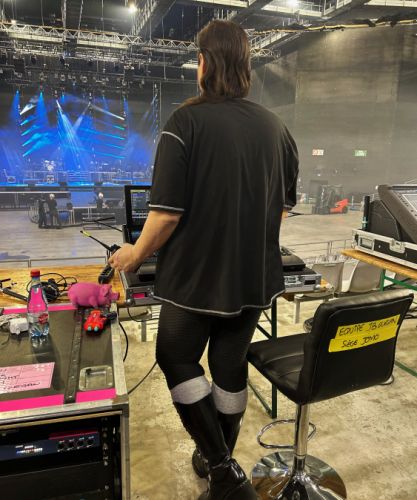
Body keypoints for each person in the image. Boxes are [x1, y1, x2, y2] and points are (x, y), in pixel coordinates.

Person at [109, 20, 298, 500]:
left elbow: (166, 214)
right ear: (246, 66)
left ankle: (220, 466)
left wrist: (134, 254)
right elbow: (282, 208)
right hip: (252, 276)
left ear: (204, 63)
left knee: (175, 356)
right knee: (228, 365)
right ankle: (220, 457)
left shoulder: (185, 123)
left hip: (195, 278)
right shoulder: (277, 128)